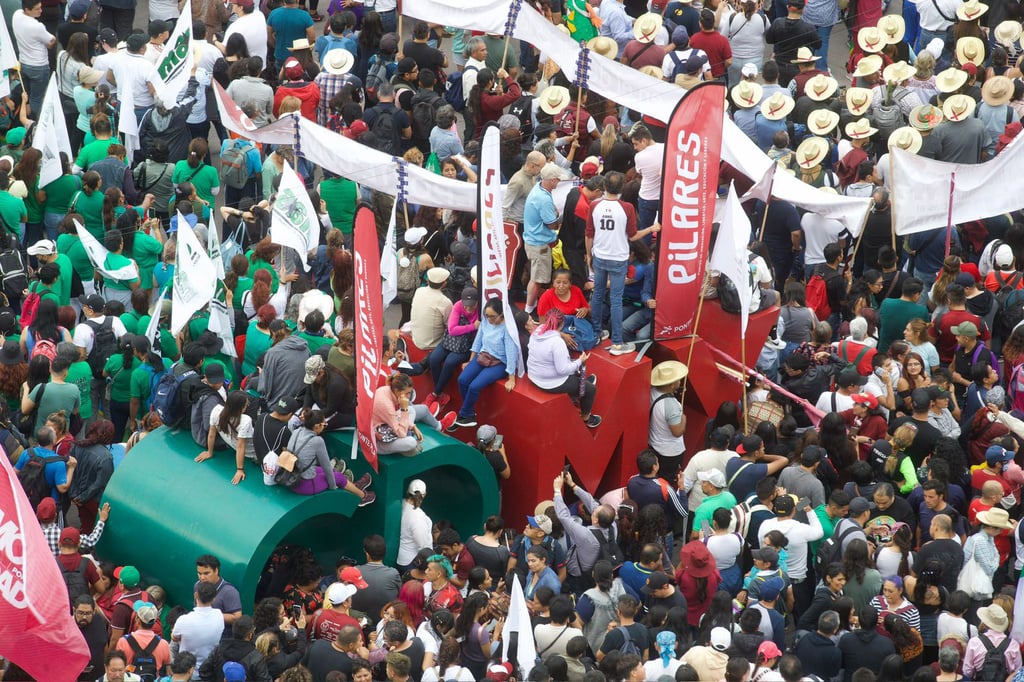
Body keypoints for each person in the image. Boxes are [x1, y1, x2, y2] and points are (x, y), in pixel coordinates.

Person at [586, 170, 659, 355]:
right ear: (621, 188)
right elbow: (634, 236)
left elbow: (589, 234)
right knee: (615, 300)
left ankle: (596, 332)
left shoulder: (594, 205)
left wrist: (589, 255)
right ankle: (617, 343)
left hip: (599, 255)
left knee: (598, 294)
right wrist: (652, 228)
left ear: (604, 186)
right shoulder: (626, 208)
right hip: (618, 258)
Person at [450, 298, 519, 430]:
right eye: (487, 316)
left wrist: (511, 378)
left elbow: (511, 354)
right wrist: (470, 361)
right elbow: (477, 341)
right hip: (483, 356)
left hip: (499, 362)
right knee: (462, 380)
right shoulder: (485, 322)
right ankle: (469, 413)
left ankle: (464, 414)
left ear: (502, 315)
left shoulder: (507, 329)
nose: (489, 319)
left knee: (474, 386)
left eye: (492, 316)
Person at [278, 410, 374, 504]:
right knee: (339, 477)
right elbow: (326, 466)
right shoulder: (317, 441)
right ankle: (363, 497)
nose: (324, 427)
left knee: (330, 472)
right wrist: (333, 486)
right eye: (324, 425)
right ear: (316, 426)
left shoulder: (297, 431)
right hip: (304, 485)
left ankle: (353, 486)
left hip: (290, 476)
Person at [527, 308, 601, 428]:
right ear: (562, 324)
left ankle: (576, 389)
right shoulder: (557, 342)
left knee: (570, 364)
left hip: (534, 375)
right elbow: (563, 370)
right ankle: (586, 418)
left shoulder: (538, 330)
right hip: (549, 383)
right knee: (590, 389)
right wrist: (580, 361)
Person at [372, 373, 454, 455]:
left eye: (410, 393)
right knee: (411, 442)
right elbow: (401, 434)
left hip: (384, 426)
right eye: (407, 393)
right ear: (397, 391)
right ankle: (402, 446)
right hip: (378, 442)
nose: (408, 396)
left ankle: (433, 426)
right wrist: (404, 409)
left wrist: (412, 426)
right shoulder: (386, 405)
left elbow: (393, 417)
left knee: (411, 409)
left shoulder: (387, 389)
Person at [172, 581, 225, 676]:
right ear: (213, 599)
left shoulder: (184, 620)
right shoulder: (219, 615)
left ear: (196, 595)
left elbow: (174, 637)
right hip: (209, 671)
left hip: (187, 673)